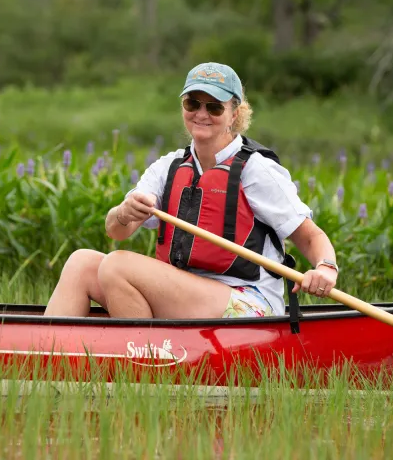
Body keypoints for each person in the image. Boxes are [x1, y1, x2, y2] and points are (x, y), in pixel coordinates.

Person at [44, 62, 340, 319]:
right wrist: (124, 212)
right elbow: (116, 231)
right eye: (192, 104)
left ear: (235, 113)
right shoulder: (169, 166)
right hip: (184, 292)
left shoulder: (257, 170)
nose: (201, 113)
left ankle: (145, 364)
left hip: (247, 299)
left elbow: (311, 236)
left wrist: (326, 269)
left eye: (214, 107)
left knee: (117, 266)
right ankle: (39, 356)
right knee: (82, 262)